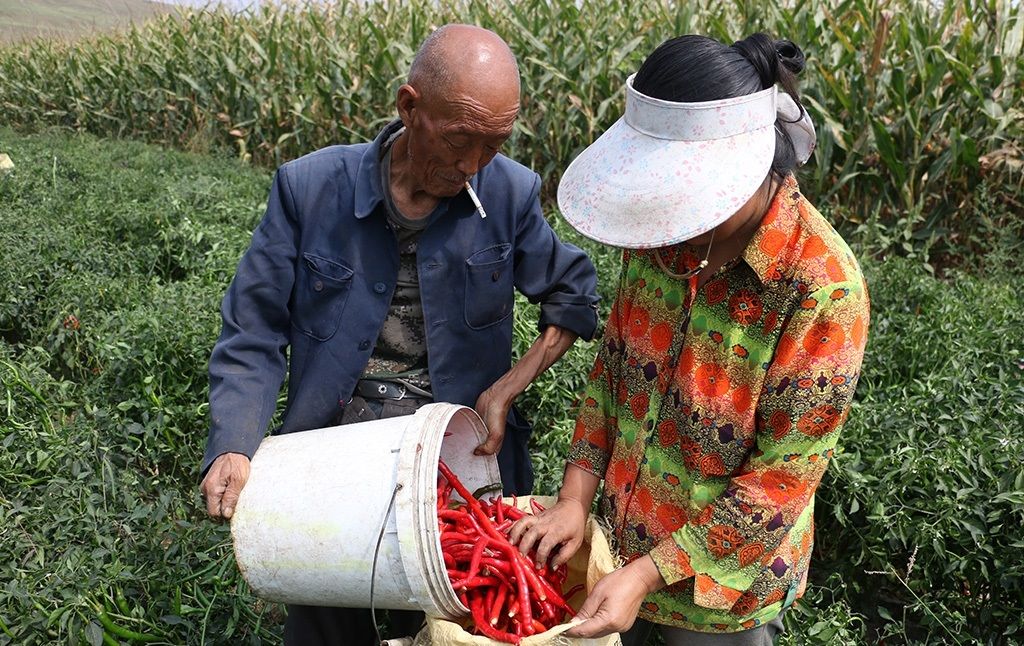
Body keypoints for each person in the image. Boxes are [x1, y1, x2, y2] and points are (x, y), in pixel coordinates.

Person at [199, 23, 599, 644]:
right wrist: (234, 442)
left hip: (458, 455)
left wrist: (505, 390)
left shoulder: (509, 192)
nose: (473, 166)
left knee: (460, 610)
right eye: (460, 141)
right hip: (331, 451)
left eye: (494, 145)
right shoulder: (309, 189)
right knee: (326, 612)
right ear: (409, 107)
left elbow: (573, 296)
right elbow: (253, 329)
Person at [511, 33, 870, 645]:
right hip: (612, 555)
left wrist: (648, 576)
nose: (674, 216)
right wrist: (575, 497)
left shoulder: (820, 289)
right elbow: (614, 373)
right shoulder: (660, 244)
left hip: (719, 602)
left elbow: (778, 483)